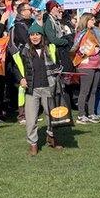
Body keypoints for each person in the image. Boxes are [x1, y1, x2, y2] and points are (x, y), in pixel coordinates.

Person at [11, 22, 63, 155]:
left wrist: (58, 71)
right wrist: (21, 79)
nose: (35, 37)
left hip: (49, 87)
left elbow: (58, 64)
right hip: (31, 89)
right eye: (32, 34)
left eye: (37, 34)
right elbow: (16, 67)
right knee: (31, 119)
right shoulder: (23, 50)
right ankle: (33, 144)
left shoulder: (51, 48)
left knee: (51, 116)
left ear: (42, 35)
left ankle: (51, 138)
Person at [72, 13, 100, 124]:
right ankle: (81, 115)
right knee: (84, 91)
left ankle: (91, 113)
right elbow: (78, 50)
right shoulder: (80, 34)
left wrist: (99, 48)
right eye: (92, 20)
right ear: (86, 21)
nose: (94, 22)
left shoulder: (92, 32)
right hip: (86, 65)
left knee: (93, 91)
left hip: (97, 64)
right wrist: (93, 50)